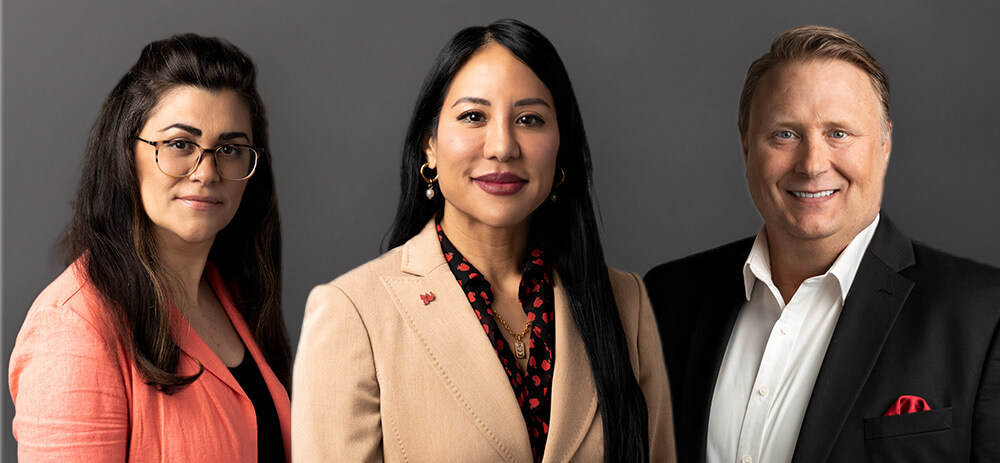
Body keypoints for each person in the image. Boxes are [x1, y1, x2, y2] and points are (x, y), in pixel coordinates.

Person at [292, 18, 675, 462]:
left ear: (561, 146)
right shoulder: (352, 313)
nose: (502, 146)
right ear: (430, 145)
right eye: (473, 116)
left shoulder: (626, 303)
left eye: (529, 119)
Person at [645, 25, 1000, 462]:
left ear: (884, 146)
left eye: (839, 133)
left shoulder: (982, 317)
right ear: (746, 149)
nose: (812, 164)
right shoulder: (666, 299)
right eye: (785, 134)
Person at [8, 34, 291, 461]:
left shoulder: (236, 295)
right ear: (126, 152)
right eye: (180, 144)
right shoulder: (72, 328)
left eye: (230, 149)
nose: (207, 172)